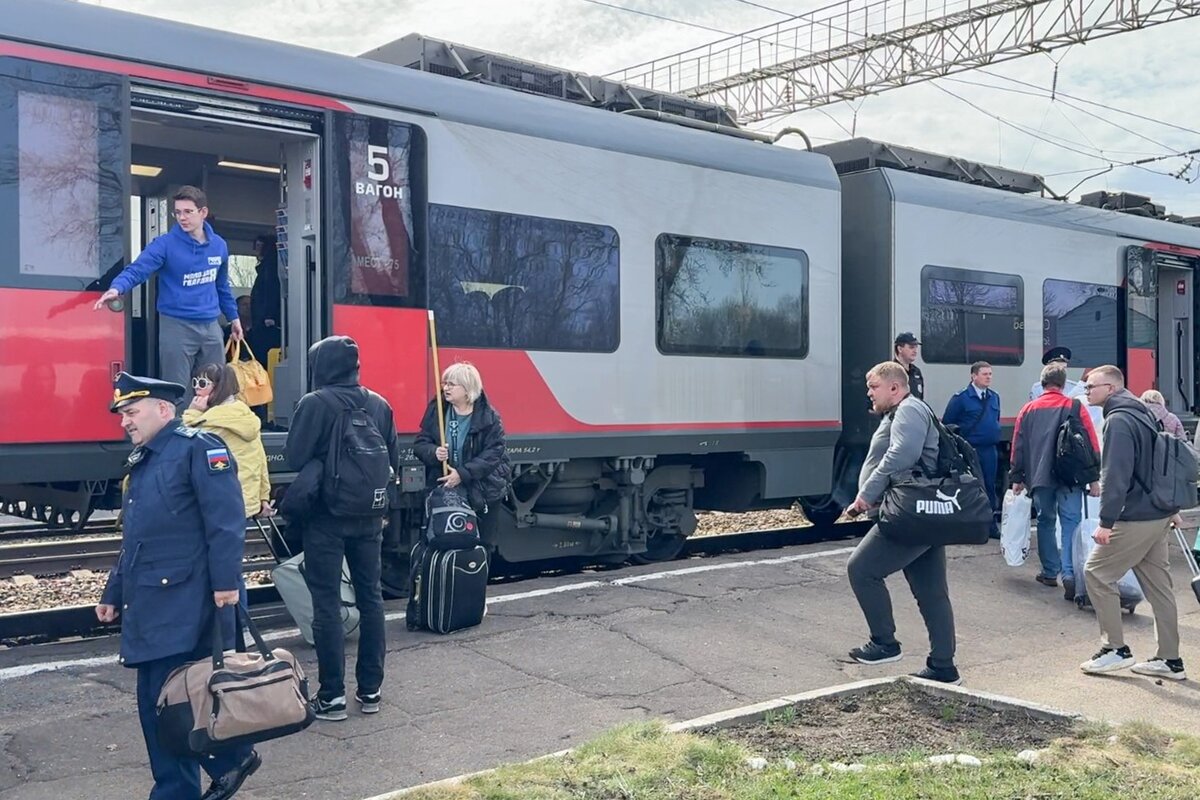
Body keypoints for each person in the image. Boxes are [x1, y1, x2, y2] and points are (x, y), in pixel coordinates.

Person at [96, 373, 260, 800]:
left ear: (163, 410)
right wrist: (114, 591)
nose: (125, 423)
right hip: (152, 605)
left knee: (173, 704)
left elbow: (226, 521)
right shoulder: (145, 459)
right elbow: (138, 537)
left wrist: (227, 586)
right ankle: (224, 762)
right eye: (123, 415)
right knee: (164, 707)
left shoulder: (199, 449)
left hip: (188, 604)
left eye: (132, 413)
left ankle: (192, 781)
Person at [284, 335, 399, 721]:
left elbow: (295, 456)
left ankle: (331, 696)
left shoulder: (315, 403)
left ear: (322, 367)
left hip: (325, 519)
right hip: (369, 518)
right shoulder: (380, 405)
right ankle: (371, 691)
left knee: (327, 604)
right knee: (371, 599)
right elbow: (392, 460)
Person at [844, 361, 961, 685]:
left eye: (873, 387)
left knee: (862, 570)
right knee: (932, 592)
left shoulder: (908, 410)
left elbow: (901, 455)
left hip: (907, 515)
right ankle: (943, 666)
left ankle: (884, 643)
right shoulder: (908, 411)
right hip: (923, 514)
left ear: (894, 388)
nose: (869, 393)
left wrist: (866, 494)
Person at [1079, 365, 1186, 680]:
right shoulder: (1143, 412)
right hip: (1158, 513)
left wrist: (1106, 522)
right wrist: (1171, 507)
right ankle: (1170, 660)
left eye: (1091, 386)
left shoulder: (1119, 420)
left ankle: (1115, 649)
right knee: (1159, 588)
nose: (1086, 391)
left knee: (1096, 573)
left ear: (1110, 388)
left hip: (1136, 515)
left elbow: (1116, 474)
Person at [94, 186, 241, 405]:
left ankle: (212, 434)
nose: (182, 217)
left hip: (211, 326)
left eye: (188, 212)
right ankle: (180, 435)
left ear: (203, 212)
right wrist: (117, 288)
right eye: (178, 212)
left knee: (215, 387)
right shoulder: (164, 244)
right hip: (176, 325)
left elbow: (222, 286)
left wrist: (234, 318)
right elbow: (138, 269)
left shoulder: (219, 246)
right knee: (178, 390)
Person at [1010, 362, 1101, 596]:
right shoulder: (1074, 405)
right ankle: (1069, 574)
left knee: (1045, 522)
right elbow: (1090, 442)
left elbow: (1018, 446)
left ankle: (1050, 572)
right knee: (1071, 523)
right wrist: (1093, 478)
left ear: (1042, 384)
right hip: (1070, 477)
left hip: (1040, 478)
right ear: (1063, 383)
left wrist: (1017, 477)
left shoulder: (1028, 409)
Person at [414, 362, 511, 542]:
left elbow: (494, 453)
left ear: (467, 389)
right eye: (444, 383)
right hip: (444, 489)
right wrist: (433, 452)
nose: (445, 388)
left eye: (451, 384)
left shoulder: (489, 417)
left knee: (482, 543)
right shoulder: (438, 410)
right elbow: (420, 444)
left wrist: (462, 474)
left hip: (482, 491)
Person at [183, 364, 272, 520]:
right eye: (195, 382)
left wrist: (193, 412)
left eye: (203, 383)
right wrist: (263, 496)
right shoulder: (247, 417)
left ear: (219, 388)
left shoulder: (209, 423)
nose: (197, 388)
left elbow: (182, 447)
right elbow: (260, 460)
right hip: (244, 503)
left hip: (218, 505)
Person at [943, 361, 1002, 536]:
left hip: (989, 450)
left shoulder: (994, 397)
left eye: (990, 374)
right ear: (974, 376)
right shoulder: (961, 398)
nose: (988, 377)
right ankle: (966, 526)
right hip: (970, 450)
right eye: (985, 374)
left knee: (989, 487)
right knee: (969, 487)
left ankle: (990, 525)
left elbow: (995, 419)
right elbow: (948, 424)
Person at [248, 235, 282, 358]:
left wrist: (269, 315)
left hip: (265, 320)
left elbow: (270, 289)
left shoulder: (270, 266)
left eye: (258, 246)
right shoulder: (268, 266)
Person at [892, 332, 924, 400]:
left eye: (916, 347)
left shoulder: (916, 372)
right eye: (911, 347)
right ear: (900, 349)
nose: (915, 351)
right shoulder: (890, 372)